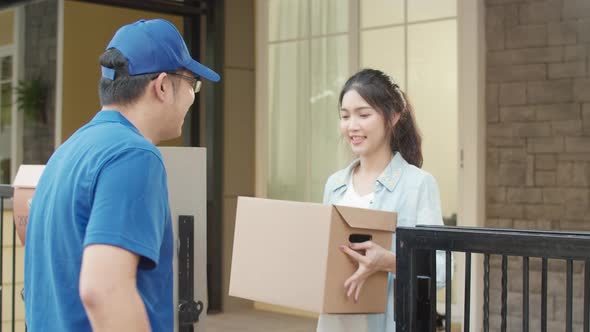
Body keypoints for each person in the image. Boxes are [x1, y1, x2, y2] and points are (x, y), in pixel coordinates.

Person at [24, 18, 220, 332]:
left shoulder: (67, 152)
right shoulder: (134, 156)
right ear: (162, 86)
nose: (193, 97)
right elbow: (104, 290)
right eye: (192, 84)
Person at [317, 68, 446, 332]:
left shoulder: (418, 184)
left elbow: (442, 271)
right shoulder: (335, 185)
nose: (352, 126)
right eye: (345, 116)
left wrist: (388, 262)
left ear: (393, 117)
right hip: (335, 324)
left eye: (363, 115)